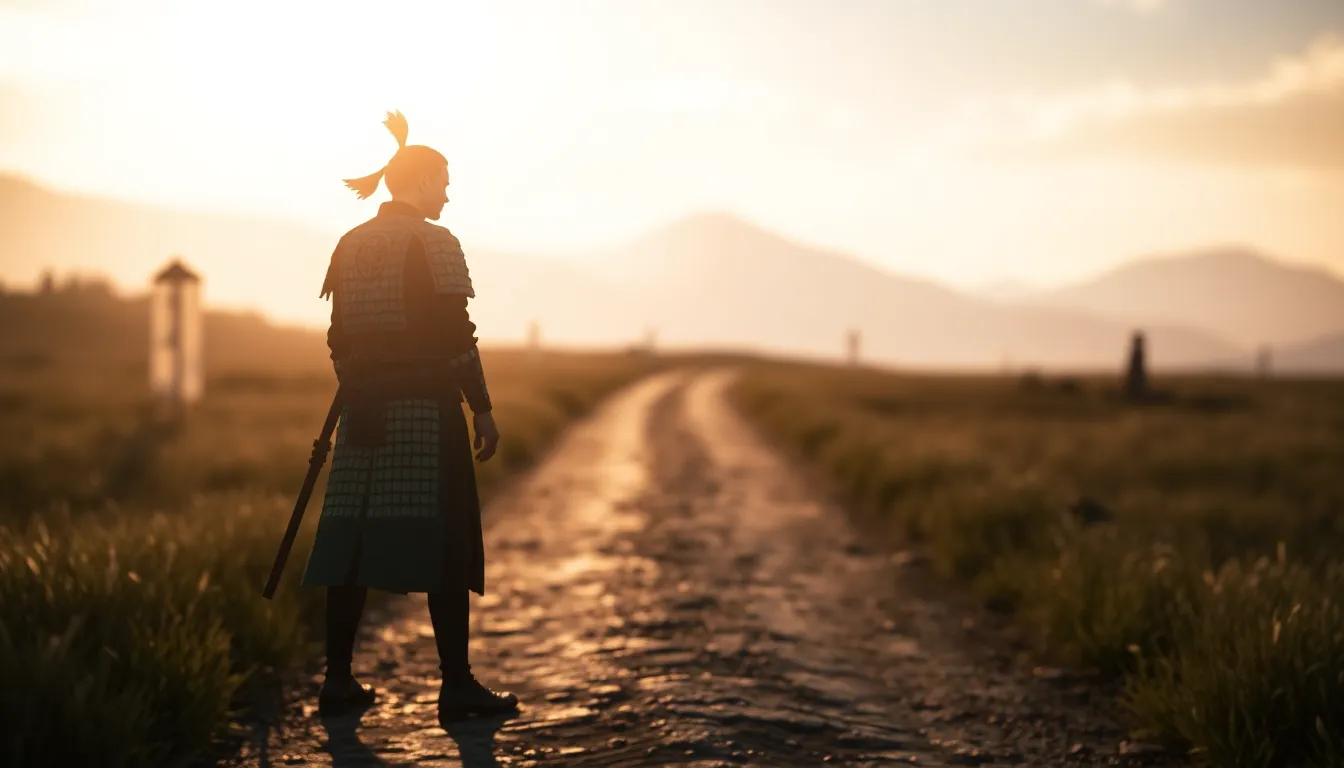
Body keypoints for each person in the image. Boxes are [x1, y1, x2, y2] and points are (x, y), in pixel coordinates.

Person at [300, 110, 519, 724]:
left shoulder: (350, 244)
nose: (448, 194)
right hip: (426, 410)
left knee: (351, 543)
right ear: (420, 182)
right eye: (443, 182)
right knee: (446, 542)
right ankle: (457, 687)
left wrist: (359, 388)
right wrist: (482, 408)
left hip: (360, 411)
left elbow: (338, 337)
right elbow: (456, 336)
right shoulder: (435, 243)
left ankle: (337, 682)